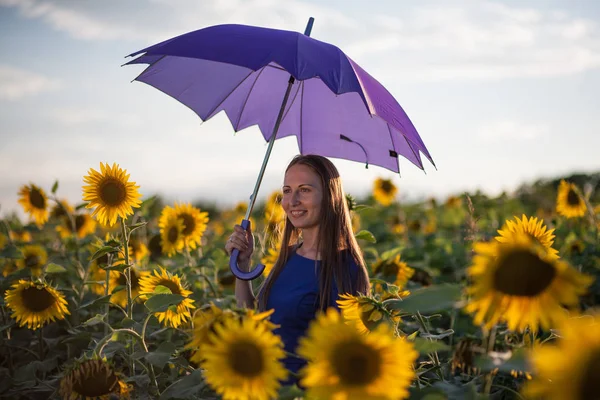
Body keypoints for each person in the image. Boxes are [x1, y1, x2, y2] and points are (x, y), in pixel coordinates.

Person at [224, 154, 370, 384]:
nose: (291, 202)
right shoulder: (290, 256)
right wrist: (243, 266)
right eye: (287, 190)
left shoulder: (346, 269)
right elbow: (253, 321)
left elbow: (348, 360)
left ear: (330, 197)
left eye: (304, 190)